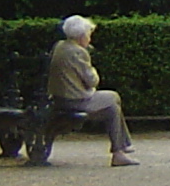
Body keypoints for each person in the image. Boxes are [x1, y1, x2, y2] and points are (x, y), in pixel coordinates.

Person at [49, 15, 140, 167]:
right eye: (89, 35)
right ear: (81, 36)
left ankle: (121, 150)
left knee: (112, 109)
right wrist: (94, 70)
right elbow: (92, 80)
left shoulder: (59, 46)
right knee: (113, 97)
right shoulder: (78, 52)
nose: (89, 39)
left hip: (59, 98)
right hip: (76, 100)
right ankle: (122, 148)